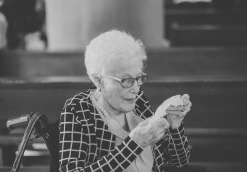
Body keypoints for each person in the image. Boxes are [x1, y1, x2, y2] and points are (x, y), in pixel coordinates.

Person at [59, 30, 192, 172]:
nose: (135, 88)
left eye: (138, 78)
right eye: (126, 80)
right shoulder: (78, 109)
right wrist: (135, 143)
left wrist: (175, 125)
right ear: (99, 80)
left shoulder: (139, 102)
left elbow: (179, 161)